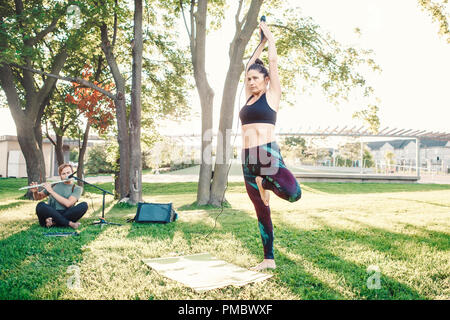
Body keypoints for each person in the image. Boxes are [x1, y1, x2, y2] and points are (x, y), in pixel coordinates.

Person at [239, 21, 302, 271]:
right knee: (261, 210)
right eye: (249, 79)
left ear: (266, 80)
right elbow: (248, 66)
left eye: (256, 78)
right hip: (247, 158)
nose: (251, 82)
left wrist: (271, 39)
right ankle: (268, 259)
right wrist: (260, 44)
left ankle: (265, 183)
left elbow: (272, 64)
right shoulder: (248, 99)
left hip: (267, 154)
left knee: (293, 192)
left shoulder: (271, 95)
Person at [30, 163, 87, 229]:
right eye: (63, 174)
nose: (66, 175)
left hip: (66, 213)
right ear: (60, 176)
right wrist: (35, 192)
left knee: (84, 205)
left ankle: (53, 222)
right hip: (51, 212)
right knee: (40, 205)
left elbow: (68, 204)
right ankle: (69, 223)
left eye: (68, 172)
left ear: (72, 173)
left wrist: (51, 191)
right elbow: (38, 197)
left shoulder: (77, 188)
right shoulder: (54, 185)